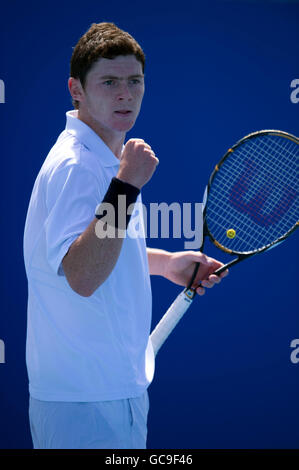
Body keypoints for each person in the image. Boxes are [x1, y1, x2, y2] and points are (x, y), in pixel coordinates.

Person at [23, 22, 228, 449]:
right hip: (86, 408)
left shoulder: (103, 158)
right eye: (110, 82)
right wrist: (126, 186)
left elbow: (96, 249)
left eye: (135, 81)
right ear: (75, 89)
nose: (125, 94)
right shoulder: (78, 166)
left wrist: (166, 264)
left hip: (106, 396)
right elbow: (82, 275)